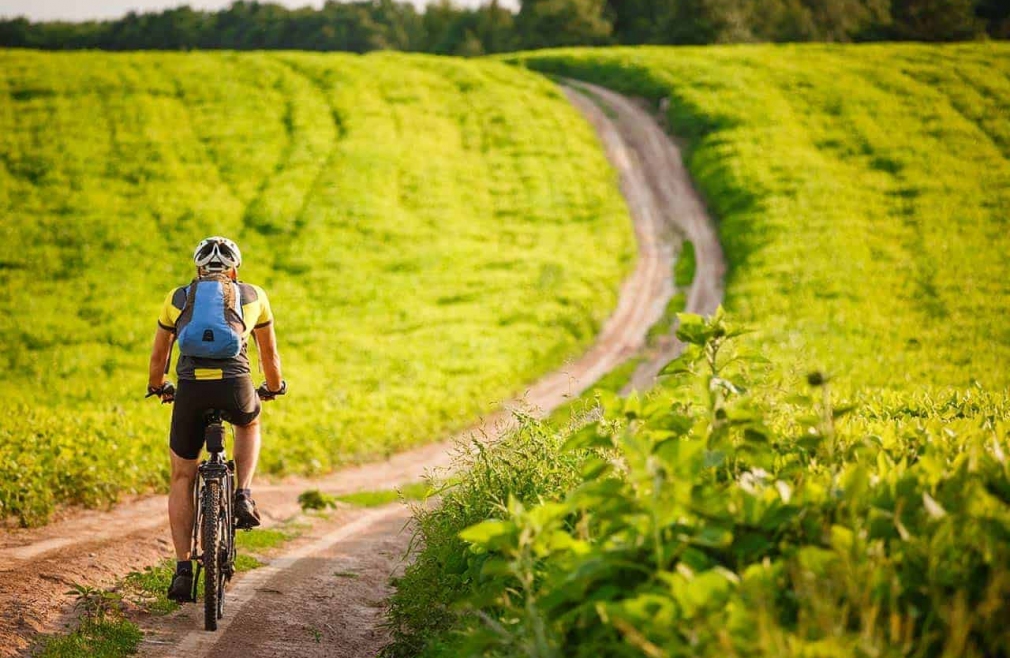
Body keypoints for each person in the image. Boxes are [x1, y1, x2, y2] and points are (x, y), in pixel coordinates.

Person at [146, 236, 286, 602]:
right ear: (235, 270)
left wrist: (159, 386)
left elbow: (159, 356)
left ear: (198, 270)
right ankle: (242, 494)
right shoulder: (253, 295)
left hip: (191, 389)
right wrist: (273, 387)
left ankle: (181, 570)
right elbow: (268, 356)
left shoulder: (177, 298)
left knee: (182, 475)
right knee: (250, 421)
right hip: (235, 383)